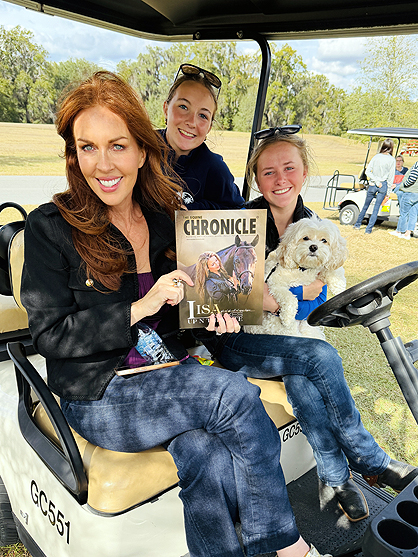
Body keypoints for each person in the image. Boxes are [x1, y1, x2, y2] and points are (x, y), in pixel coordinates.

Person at [20, 71, 330, 557]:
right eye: (88, 147)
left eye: (118, 146)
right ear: (73, 155)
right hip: (101, 391)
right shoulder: (50, 227)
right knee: (233, 393)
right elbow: (50, 336)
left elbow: (185, 304)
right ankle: (288, 547)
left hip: (168, 370)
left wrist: (213, 313)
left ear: (143, 152)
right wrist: (139, 307)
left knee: (204, 454)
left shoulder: (164, 219)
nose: (104, 164)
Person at [197, 127, 418, 524]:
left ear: (304, 173)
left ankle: (335, 478)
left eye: (289, 168)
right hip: (237, 337)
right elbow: (218, 289)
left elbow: (331, 288)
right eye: (268, 172)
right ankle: (370, 458)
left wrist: (305, 298)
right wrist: (276, 299)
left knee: (303, 379)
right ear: (256, 178)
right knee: (320, 355)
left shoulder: (315, 227)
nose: (280, 179)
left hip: (289, 337)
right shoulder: (238, 224)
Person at [160, 63, 245, 210]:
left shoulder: (215, 169)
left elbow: (237, 210)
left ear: (209, 127)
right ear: (166, 109)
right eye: (183, 107)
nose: (192, 122)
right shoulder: (141, 148)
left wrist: (192, 210)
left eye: (203, 116)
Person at [353, 139, 396, 234]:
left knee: (366, 205)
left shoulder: (376, 157)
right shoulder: (392, 160)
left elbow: (368, 171)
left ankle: (357, 224)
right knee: (376, 209)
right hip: (383, 185)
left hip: (373, 184)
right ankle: (368, 229)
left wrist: (375, 181)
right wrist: (388, 192)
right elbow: (390, 177)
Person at [390, 161, 418, 239]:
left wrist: (404, 184)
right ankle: (408, 233)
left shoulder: (417, 164)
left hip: (410, 191)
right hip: (417, 193)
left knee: (403, 213)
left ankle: (401, 231)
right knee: (413, 214)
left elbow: (412, 178)